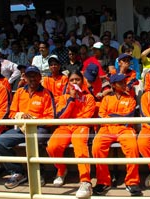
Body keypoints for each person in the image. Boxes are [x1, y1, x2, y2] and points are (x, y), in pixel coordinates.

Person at [0, 66, 55, 189]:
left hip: (39, 128)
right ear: (25, 78)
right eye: (29, 75)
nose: (32, 78)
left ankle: (39, 172)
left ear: (40, 77)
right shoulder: (20, 92)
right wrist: (20, 115)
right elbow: (11, 113)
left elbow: (51, 118)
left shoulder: (47, 93)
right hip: (20, 128)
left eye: (35, 75)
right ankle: (18, 172)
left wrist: (34, 120)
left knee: (35, 139)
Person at [47, 70, 96, 199]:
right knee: (52, 146)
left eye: (77, 80)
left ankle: (86, 181)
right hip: (65, 127)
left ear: (82, 81)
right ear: (68, 83)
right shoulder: (64, 98)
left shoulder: (89, 97)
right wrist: (72, 99)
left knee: (80, 146)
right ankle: (61, 170)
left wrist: (75, 118)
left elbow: (88, 115)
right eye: (72, 80)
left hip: (81, 126)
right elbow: (61, 116)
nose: (75, 82)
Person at [92, 73, 142, 197]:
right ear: (113, 85)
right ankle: (103, 181)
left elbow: (128, 116)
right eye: (121, 83)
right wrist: (117, 117)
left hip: (125, 129)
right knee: (97, 147)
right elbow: (101, 115)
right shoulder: (107, 98)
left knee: (132, 148)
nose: (124, 84)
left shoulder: (130, 98)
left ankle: (132, 182)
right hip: (106, 128)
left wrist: (112, 116)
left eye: (124, 82)